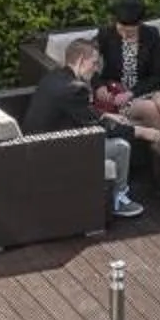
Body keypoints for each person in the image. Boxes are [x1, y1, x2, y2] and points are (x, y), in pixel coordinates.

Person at [27, 37, 145, 219]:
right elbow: (99, 128)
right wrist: (141, 131)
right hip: (53, 152)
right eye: (94, 63)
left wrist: (106, 115)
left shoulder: (54, 77)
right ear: (81, 60)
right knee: (121, 147)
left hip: (33, 146)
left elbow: (81, 113)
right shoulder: (75, 89)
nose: (96, 68)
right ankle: (118, 200)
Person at [88, 0, 160, 147]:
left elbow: (158, 76)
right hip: (118, 93)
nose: (124, 36)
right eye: (121, 30)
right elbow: (88, 65)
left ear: (139, 25)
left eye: (130, 33)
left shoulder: (151, 35)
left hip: (145, 88)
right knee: (150, 109)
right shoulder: (105, 34)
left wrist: (132, 93)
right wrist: (99, 86)